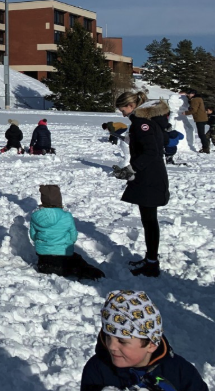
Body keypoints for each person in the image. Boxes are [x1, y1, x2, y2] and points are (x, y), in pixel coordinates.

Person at [80, 290, 210, 391]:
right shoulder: (98, 368)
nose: (112, 346)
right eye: (108, 337)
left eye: (122, 341)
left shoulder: (180, 372)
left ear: (151, 344)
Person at [114, 91, 170, 278]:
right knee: (148, 220)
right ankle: (150, 259)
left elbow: (151, 151)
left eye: (123, 110)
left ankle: (152, 264)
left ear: (130, 106)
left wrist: (131, 168)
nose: (122, 114)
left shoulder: (141, 123)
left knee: (150, 221)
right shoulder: (147, 122)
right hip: (150, 175)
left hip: (150, 177)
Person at [29, 185, 104, 280]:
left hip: (43, 263)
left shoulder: (35, 216)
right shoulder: (66, 216)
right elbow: (73, 236)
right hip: (63, 262)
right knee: (77, 259)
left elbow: (33, 236)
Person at [182, 89, 210, 153]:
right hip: (202, 118)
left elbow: (194, 110)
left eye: (189, 94)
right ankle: (206, 147)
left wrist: (186, 113)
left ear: (193, 94)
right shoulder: (198, 99)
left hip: (200, 118)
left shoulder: (195, 100)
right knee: (202, 134)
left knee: (201, 134)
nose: (188, 95)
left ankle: (206, 148)